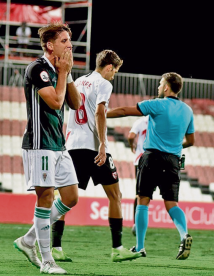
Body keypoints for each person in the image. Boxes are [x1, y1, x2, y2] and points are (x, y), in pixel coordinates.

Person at [13, 22, 81, 275]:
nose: (69, 46)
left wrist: (68, 72)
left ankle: (28, 240)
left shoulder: (60, 69)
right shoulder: (38, 68)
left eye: (70, 42)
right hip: (39, 143)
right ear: (50, 45)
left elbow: (74, 103)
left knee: (71, 197)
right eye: (64, 41)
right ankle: (47, 261)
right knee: (45, 197)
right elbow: (54, 102)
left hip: (58, 144)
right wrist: (62, 73)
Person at [107, 72, 195, 260]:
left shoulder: (157, 104)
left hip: (152, 157)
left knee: (143, 200)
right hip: (173, 160)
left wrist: (102, 114)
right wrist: (176, 145)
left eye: (160, 84)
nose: (158, 87)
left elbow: (124, 111)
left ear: (166, 87)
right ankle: (183, 235)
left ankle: (139, 247)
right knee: (171, 204)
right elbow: (191, 140)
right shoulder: (188, 111)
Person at [65, 49, 141, 262]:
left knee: (66, 199)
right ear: (109, 67)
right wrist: (102, 145)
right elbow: (100, 112)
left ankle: (55, 248)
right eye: (115, 71)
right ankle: (117, 249)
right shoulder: (104, 84)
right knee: (115, 196)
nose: (113, 75)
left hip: (72, 145)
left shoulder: (79, 81)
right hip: (94, 147)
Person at [127, 115, 149, 236]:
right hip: (156, 159)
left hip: (141, 160)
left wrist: (132, 145)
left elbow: (131, 136)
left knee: (139, 193)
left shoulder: (141, 121)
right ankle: (141, 222)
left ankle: (136, 223)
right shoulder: (160, 119)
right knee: (148, 194)